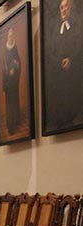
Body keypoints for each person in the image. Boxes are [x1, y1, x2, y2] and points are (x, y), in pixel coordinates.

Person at [45, 0, 83, 130]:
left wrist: (71, 59)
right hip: (58, 72)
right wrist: (59, 62)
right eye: (62, 7)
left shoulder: (77, 27)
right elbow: (49, 51)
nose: (64, 10)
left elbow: (79, 46)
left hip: (74, 72)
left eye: (66, 6)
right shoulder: (55, 30)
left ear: (71, 9)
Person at [3, 28, 21, 135]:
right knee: (9, 103)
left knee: (15, 101)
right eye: (9, 36)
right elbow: (3, 67)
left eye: (12, 36)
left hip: (14, 81)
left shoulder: (15, 48)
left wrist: (16, 65)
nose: (11, 38)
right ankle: (11, 125)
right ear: (7, 37)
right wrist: (8, 73)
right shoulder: (5, 50)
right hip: (8, 81)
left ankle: (16, 120)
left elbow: (18, 61)